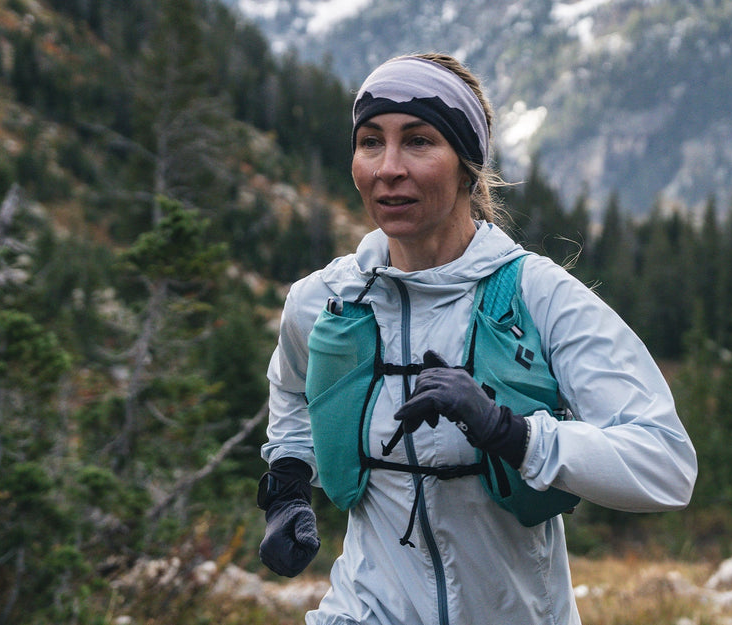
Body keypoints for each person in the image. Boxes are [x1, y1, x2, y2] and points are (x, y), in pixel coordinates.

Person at [256, 53, 698, 625]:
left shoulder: (539, 296)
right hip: (363, 609)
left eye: (418, 141)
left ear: (468, 166)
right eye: (370, 141)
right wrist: (289, 485)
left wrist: (508, 433)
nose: (388, 167)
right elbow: (291, 388)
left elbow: (666, 465)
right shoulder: (325, 301)